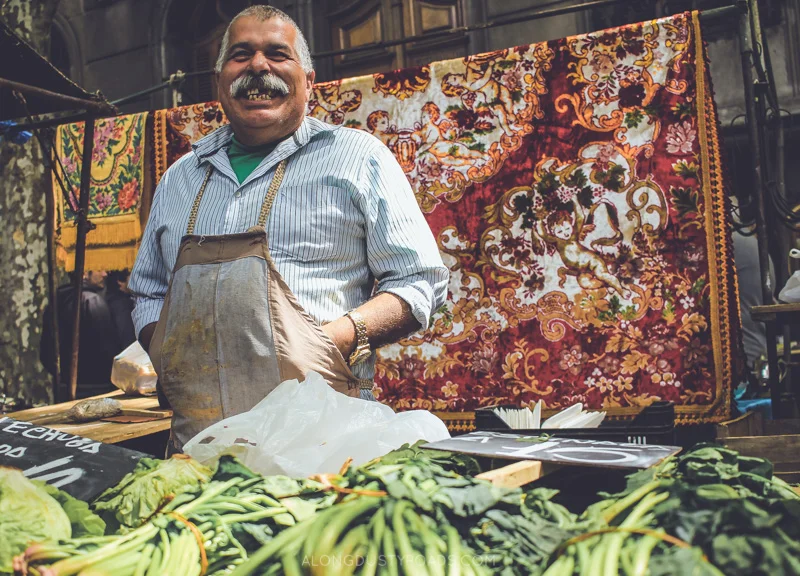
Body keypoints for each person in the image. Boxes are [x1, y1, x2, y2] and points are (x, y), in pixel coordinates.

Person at [128, 5, 449, 453]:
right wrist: (167, 350)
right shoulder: (181, 177)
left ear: (310, 80)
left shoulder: (358, 158)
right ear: (220, 79)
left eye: (278, 54)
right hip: (198, 448)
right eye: (241, 55)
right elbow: (147, 291)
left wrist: (330, 341)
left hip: (323, 441)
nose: (258, 66)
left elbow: (418, 283)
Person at [40, 270, 120, 400]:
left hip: (66, 386)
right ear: (83, 272)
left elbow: (46, 353)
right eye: (98, 269)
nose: (105, 274)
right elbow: (108, 349)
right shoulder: (92, 301)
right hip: (96, 387)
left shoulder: (57, 300)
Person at [105, 269, 136, 350]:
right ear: (120, 281)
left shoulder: (110, 300)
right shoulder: (121, 305)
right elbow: (126, 336)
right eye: (131, 275)